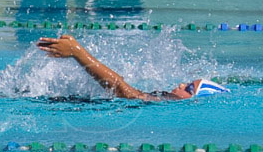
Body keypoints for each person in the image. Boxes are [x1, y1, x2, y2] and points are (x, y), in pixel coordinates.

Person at [36, 35, 229, 100]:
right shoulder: (165, 99)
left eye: (188, 88)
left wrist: (79, 54)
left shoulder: (164, 103)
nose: (181, 84)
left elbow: (123, 90)